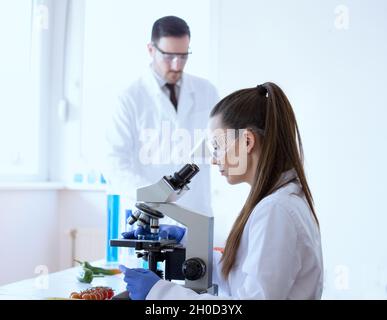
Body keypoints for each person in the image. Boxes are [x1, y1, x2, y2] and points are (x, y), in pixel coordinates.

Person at [119, 82, 324, 300]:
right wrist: (188, 241)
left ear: (247, 141)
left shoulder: (276, 210)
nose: (214, 159)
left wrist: (159, 293)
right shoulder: (277, 201)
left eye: (217, 146)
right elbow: (242, 280)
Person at [105, 16, 219, 215]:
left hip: (197, 211)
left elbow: (222, 145)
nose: (177, 64)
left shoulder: (207, 92)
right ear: (151, 50)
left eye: (183, 56)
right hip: (150, 214)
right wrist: (155, 193)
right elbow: (115, 165)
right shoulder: (129, 98)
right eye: (169, 56)